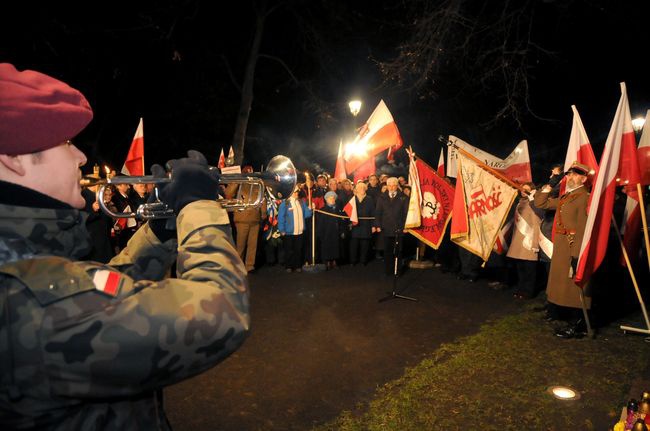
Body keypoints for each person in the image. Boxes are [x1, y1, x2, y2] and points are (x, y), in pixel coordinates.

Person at [0, 63, 250, 429]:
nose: (80, 157)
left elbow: (97, 293)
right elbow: (224, 310)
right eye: (66, 143)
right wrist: (199, 204)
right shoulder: (27, 298)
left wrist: (160, 234)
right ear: (13, 160)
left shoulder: (22, 263)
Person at [534, 161, 592, 339]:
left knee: (575, 285)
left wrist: (576, 254)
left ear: (583, 178)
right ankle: (562, 314)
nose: (570, 177)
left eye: (574, 174)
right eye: (569, 174)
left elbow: (582, 228)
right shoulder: (567, 197)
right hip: (560, 246)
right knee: (561, 284)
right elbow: (541, 203)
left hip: (572, 245)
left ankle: (579, 324)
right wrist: (550, 185)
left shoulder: (585, 197)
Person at [226, 166, 267, 273]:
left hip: (255, 218)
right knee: (241, 244)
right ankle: (239, 266)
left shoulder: (257, 184)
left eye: (251, 172)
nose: (250, 174)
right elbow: (228, 194)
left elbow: (262, 199)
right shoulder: (239, 183)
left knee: (252, 245)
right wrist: (236, 181)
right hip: (242, 219)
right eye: (247, 172)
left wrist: (263, 212)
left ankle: (250, 266)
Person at [506, 182, 543, 299]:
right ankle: (521, 289)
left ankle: (528, 292)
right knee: (520, 268)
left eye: (526, 189)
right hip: (518, 240)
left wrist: (535, 243)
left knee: (529, 270)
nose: (523, 191)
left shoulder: (533, 204)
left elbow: (537, 224)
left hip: (528, 240)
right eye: (522, 189)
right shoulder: (520, 203)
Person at [374, 177, 409, 275]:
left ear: (397, 185)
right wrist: (377, 225)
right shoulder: (381, 197)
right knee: (387, 251)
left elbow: (406, 213)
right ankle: (388, 270)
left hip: (399, 228)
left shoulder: (404, 197)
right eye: (390, 185)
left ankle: (397, 271)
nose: (392, 187)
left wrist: (406, 226)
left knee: (398, 251)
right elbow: (378, 212)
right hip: (386, 228)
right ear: (387, 186)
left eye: (394, 185)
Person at [278, 187, 312, 272]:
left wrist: (310, 208)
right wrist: (281, 229)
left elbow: (307, 215)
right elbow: (281, 217)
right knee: (289, 250)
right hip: (289, 232)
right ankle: (289, 266)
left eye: (297, 192)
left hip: (299, 231)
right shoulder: (285, 203)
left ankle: (297, 265)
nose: (297, 194)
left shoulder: (301, 202)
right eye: (295, 192)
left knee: (298, 249)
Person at [317, 191, 345, 270]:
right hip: (327, 232)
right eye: (330, 198)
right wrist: (320, 233)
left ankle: (334, 261)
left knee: (336, 247)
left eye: (333, 198)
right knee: (327, 247)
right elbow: (320, 223)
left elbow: (341, 221)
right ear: (326, 199)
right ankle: (328, 261)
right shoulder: (323, 210)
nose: (332, 200)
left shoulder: (338, 209)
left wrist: (342, 231)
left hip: (336, 232)